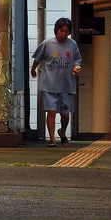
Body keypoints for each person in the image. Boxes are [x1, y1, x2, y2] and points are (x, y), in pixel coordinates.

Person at [31, 17, 82, 147]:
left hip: (66, 84)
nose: (63, 33)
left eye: (66, 31)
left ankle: (62, 132)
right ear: (56, 30)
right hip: (49, 83)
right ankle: (52, 139)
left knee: (65, 114)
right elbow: (37, 58)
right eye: (61, 30)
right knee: (51, 112)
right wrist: (33, 69)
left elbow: (77, 60)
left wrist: (77, 68)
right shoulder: (47, 44)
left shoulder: (72, 44)